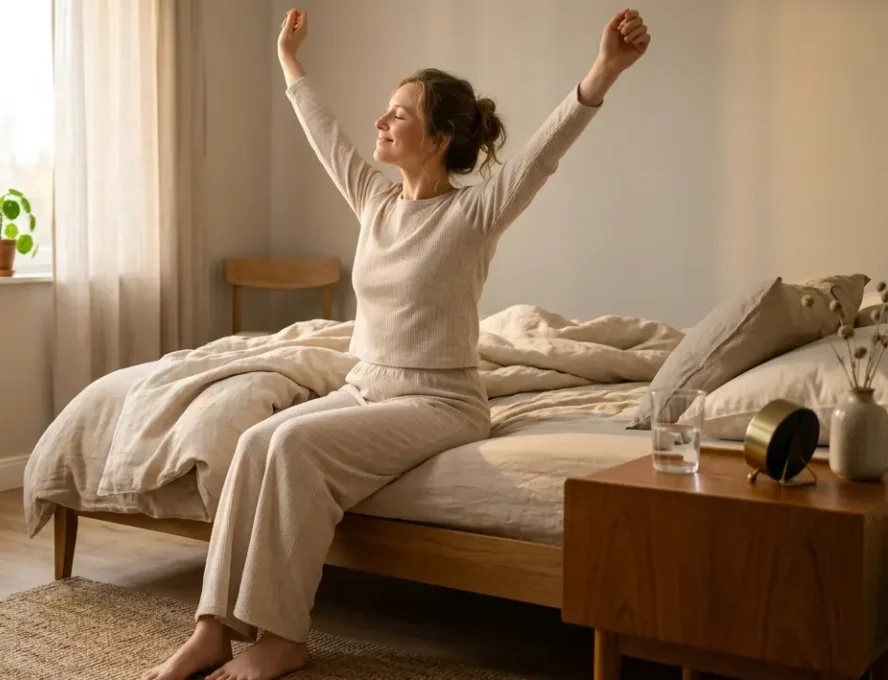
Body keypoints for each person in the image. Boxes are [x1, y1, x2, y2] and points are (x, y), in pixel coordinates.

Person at [144, 7, 652, 680]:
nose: (382, 120)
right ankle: (211, 631)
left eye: (401, 114)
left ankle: (282, 639)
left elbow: (544, 152)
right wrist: (289, 58)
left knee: (294, 446)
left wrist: (605, 68)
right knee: (255, 441)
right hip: (366, 387)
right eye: (387, 110)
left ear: (439, 138)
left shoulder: (474, 213)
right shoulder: (376, 202)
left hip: (440, 402)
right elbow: (323, 132)